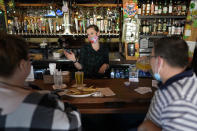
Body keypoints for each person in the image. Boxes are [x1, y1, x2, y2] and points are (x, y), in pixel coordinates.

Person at [0, 33, 81, 131]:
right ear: (22, 65)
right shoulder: (40, 103)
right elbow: (73, 124)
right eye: (29, 59)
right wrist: (65, 105)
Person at [138, 37, 197, 131]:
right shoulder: (187, 78)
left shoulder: (179, 100)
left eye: (151, 57)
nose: (149, 60)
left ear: (160, 62)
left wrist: (147, 126)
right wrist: (150, 69)